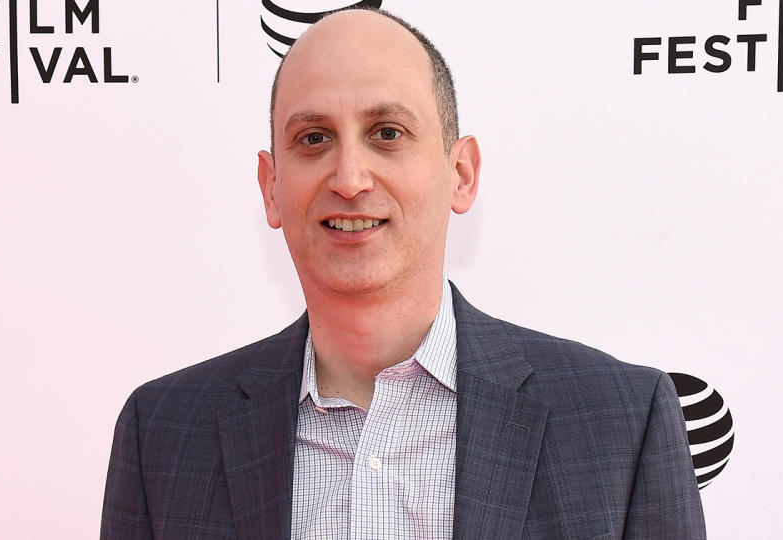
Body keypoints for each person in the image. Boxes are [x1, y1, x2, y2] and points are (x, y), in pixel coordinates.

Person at [100, 8, 706, 540]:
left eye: (387, 133)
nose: (350, 178)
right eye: (314, 138)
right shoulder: (161, 434)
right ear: (271, 187)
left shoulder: (622, 424)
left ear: (461, 173)